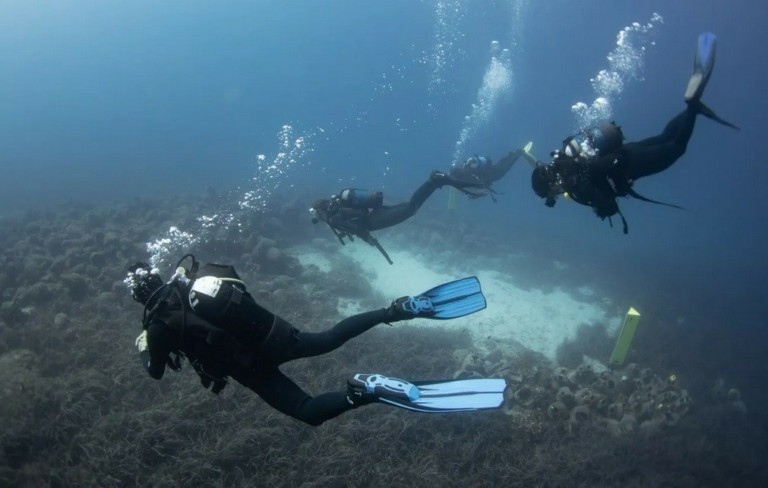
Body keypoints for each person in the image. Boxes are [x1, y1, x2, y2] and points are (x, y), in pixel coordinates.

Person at [126, 255, 503, 427]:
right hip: (276, 334)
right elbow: (239, 282)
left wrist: (144, 345)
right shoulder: (197, 279)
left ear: (139, 298)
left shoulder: (157, 328)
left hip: (252, 369)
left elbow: (156, 372)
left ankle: (365, 392)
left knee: (306, 411)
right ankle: (396, 310)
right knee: (330, 338)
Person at [531, 32, 739, 233]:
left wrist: (600, 208)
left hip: (632, 165)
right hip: (628, 150)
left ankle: (692, 105)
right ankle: (690, 109)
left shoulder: (574, 185)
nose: (554, 196)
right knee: (665, 137)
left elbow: (608, 205)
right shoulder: (564, 159)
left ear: (549, 186)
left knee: (676, 148)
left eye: (550, 194)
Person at [310, 170, 481, 263]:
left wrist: (368, 239)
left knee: (411, 209)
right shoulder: (337, 207)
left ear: (320, 211)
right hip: (375, 214)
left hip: (373, 220)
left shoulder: (334, 219)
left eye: (317, 215)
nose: (319, 217)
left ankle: (434, 181)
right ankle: (435, 182)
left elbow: (356, 228)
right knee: (408, 207)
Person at [448, 147, 526, 201]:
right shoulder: (464, 169)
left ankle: (518, 154)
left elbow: (482, 190)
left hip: (492, 175)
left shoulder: (466, 176)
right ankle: (513, 154)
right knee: (501, 164)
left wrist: (471, 195)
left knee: (504, 167)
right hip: (489, 171)